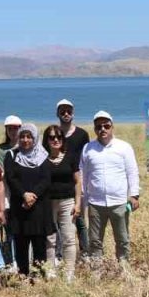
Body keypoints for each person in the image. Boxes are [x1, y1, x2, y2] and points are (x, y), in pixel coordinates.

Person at [80, 111, 140, 263]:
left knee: (122, 239)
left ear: (112, 127)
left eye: (106, 126)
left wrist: (134, 195)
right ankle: (97, 271)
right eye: (99, 127)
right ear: (94, 129)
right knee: (95, 241)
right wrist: (82, 199)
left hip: (119, 202)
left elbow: (132, 172)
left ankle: (124, 268)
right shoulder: (88, 148)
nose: (103, 129)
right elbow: (83, 175)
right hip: (95, 203)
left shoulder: (124, 147)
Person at [4, 123, 54, 276]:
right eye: (22, 136)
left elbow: (46, 180)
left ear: (35, 138)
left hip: (39, 208)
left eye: (29, 137)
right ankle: (23, 275)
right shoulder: (12, 155)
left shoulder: (43, 156)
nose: (25, 140)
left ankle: (38, 275)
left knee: (39, 244)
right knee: (21, 244)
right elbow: (11, 179)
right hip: (20, 208)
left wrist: (33, 195)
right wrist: (24, 194)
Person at [42, 124, 82, 278]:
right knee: (49, 239)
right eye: (52, 137)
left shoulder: (70, 156)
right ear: (47, 140)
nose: (56, 140)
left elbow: (78, 181)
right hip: (48, 203)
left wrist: (77, 203)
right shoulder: (42, 158)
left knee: (69, 238)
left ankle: (69, 274)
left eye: (59, 137)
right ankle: (50, 272)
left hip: (67, 202)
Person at [56, 99, 91, 253]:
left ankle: (85, 252)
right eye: (62, 111)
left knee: (80, 219)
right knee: (60, 220)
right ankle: (60, 253)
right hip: (59, 181)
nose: (66, 114)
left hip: (79, 180)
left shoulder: (82, 134)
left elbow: (87, 158)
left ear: (73, 113)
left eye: (68, 111)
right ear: (57, 113)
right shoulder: (54, 134)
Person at [0, 115, 23, 270]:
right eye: (10, 128)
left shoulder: (27, 145)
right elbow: (1, 173)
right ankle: (12, 261)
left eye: (16, 127)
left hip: (23, 193)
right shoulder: (0, 149)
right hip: (7, 195)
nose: (13, 131)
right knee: (9, 229)